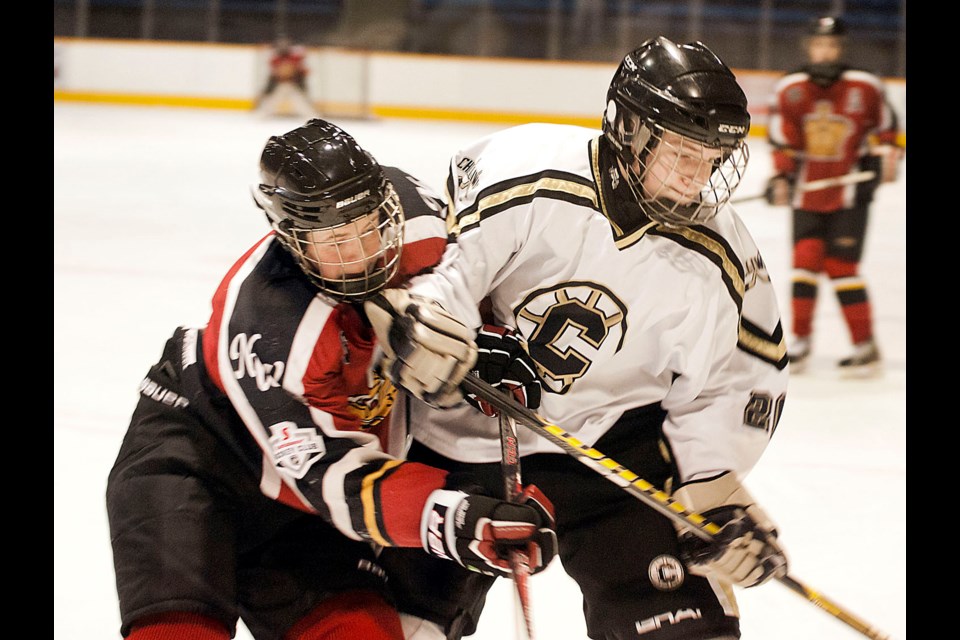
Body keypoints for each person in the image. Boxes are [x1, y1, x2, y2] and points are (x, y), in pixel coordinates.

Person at [365, 36, 790, 640]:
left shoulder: (721, 256)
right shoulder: (525, 168)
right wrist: (433, 331)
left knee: (684, 631)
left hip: (611, 451)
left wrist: (713, 482)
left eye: (712, 159)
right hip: (463, 443)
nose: (698, 178)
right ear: (627, 128)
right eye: (680, 153)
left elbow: (741, 376)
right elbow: (448, 271)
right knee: (395, 627)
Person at [105, 119, 557, 640]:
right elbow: (333, 480)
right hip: (199, 461)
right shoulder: (273, 328)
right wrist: (455, 517)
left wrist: (487, 340)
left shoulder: (425, 227)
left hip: (308, 500)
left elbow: (488, 286)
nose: (363, 251)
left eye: (369, 225)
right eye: (336, 241)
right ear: (291, 239)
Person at [765, 15, 904, 376]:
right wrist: (781, 175)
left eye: (831, 46)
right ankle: (801, 341)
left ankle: (864, 345)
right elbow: (783, 140)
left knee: (841, 268)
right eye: (819, 45)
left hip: (851, 193)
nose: (824, 52)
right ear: (809, 47)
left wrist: (885, 157)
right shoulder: (791, 89)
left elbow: (887, 132)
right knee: (804, 264)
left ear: (841, 49)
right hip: (807, 195)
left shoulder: (865, 86)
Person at [255, 36, 317, 119]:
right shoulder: (276, 59)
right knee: (271, 101)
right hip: (280, 84)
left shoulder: (295, 57)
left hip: (293, 84)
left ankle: (312, 117)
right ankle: (260, 116)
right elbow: (275, 73)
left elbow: (304, 70)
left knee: (301, 102)